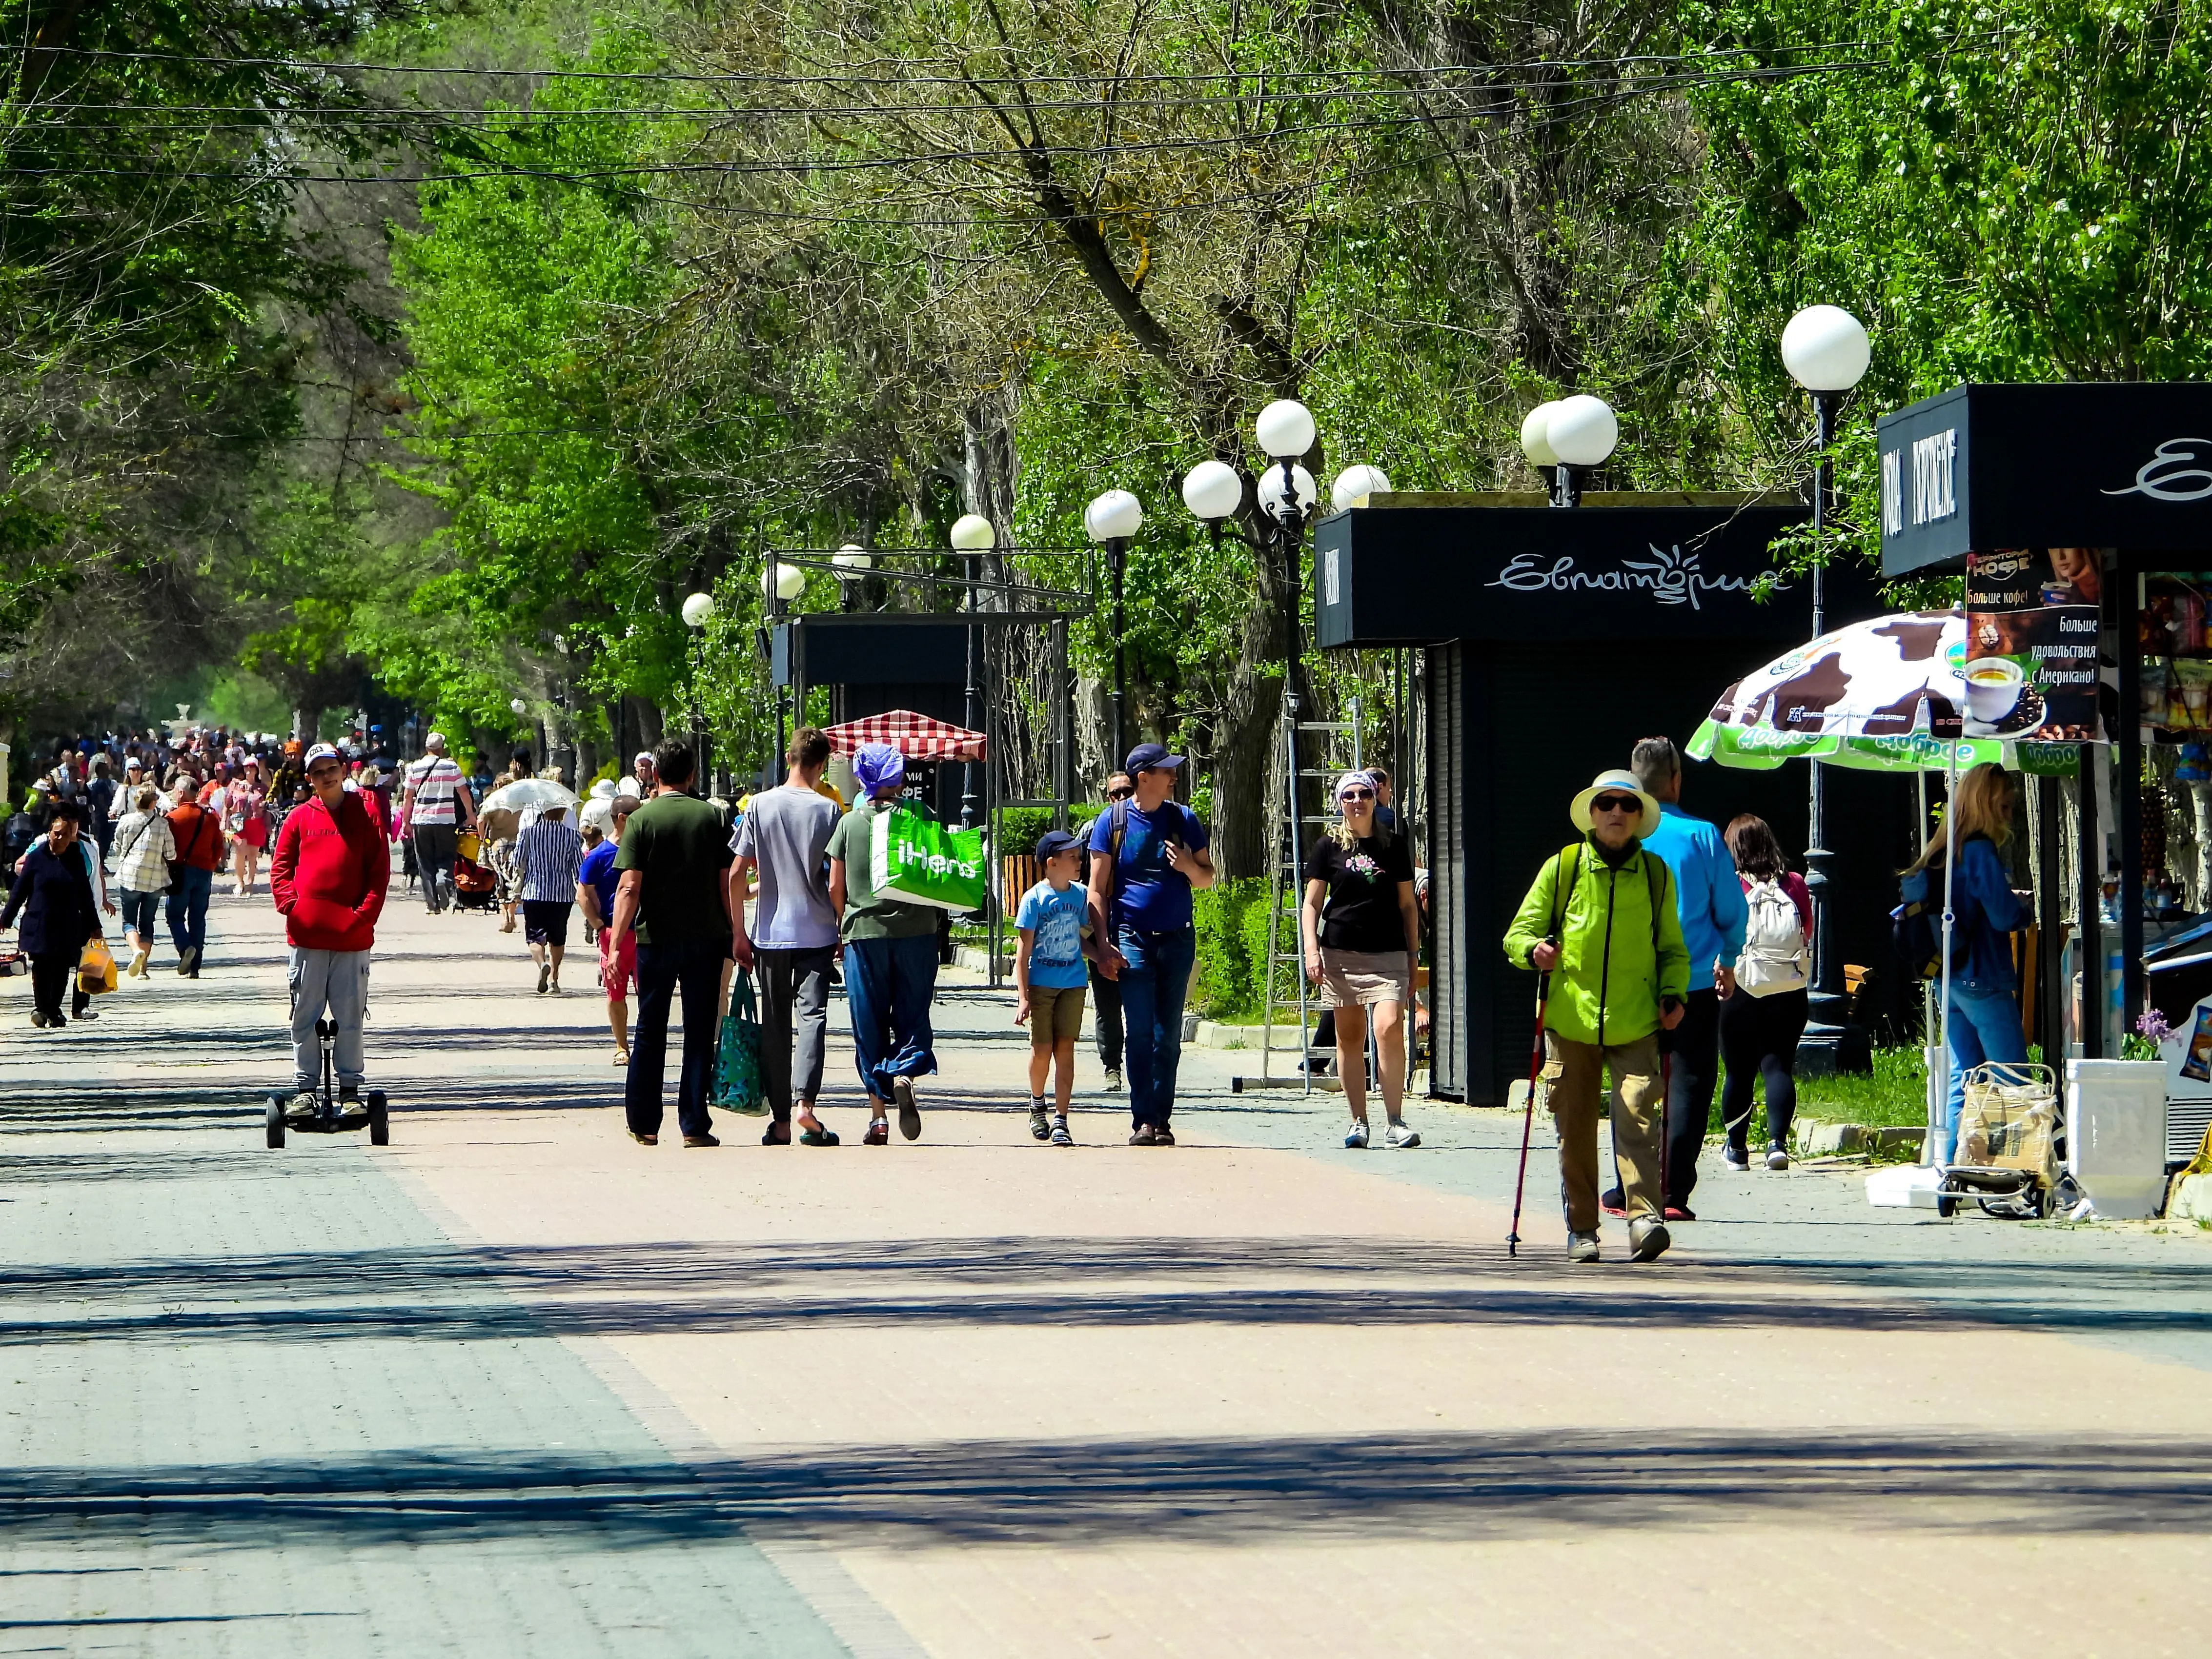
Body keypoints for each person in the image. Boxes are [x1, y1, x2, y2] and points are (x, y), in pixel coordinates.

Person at [1502, 768, 1689, 1265]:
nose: (1616, 813)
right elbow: (1517, 934)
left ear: (1639, 816)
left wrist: (1674, 994)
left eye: (1628, 805)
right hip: (1570, 1022)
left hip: (1637, 1020)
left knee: (1638, 1119)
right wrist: (1533, 951)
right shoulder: (1563, 867)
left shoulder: (1655, 875)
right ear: (1592, 812)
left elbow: (1672, 949)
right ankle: (1583, 1227)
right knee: (1575, 1129)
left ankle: (1645, 1219)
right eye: (1607, 803)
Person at [1607, 736, 1746, 1222]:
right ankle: (1671, 1190)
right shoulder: (1702, 836)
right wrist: (1728, 958)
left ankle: (1628, 1186)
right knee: (1687, 1081)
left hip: (1630, 979)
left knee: (1631, 1081)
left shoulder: (1621, 836)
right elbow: (1731, 909)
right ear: (1676, 780)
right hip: (1693, 979)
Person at [1087, 742, 1215, 1145]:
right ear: (1144, 778)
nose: (1174, 776)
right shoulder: (1112, 821)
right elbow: (1096, 890)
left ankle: (1161, 1118)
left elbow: (1206, 878)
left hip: (1177, 939)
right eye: (1166, 771)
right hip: (1132, 939)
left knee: (1167, 1035)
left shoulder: (1183, 819)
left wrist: (1187, 866)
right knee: (1140, 1031)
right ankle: (1142, 1119)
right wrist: (1103, 945)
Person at [1904, 762, 2032, 1161]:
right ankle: (2012, 1164)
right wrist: (2023, 908)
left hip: (1948, 979)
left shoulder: (1942, 851)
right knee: (2012, 1076)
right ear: (1986, 805)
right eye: (2004, 806)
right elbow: (2003, 916)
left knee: (1964, 1076)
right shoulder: (1979, 851)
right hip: (1984, 977)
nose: (2008, 815)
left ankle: (1947, 1166)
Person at [609, 739, 732, 1148]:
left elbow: (629, 888)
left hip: (655, 939)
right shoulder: (713, 817)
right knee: (699, 1030)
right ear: (692, 774)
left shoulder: (642, 820)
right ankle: (694, 1123)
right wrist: (735, 933)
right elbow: (725, 883)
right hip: (706, 938)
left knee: (650, 1028)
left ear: (656, 775)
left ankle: (644, 1122)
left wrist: (615, 945)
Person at [730, 727, 843, 1145]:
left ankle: (779, 1122)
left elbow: (737, 873)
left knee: (775, 1025)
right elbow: (836, 880)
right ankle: (804, 1104)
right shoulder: (828, 811)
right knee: (812, 1017)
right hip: (817, 931)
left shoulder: (759, 805)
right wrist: (839, 925)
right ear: (820, 765)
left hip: (770, 933)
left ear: (789, 758)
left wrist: (738, 931)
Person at [1300, 769, 1422, 1150]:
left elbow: (1408, 904)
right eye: (1349, 795)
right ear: (1340, 802)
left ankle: (1395, 1120)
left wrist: (1413, 955)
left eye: (1364, 795)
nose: (1357, 802)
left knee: (1388, 1026)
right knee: (1350, 1037)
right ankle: (1358, 1121)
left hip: (1388, 952)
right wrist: (1311, 950)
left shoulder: (1393, 846)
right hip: (1340, 952)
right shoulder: (1327, 847)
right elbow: (1311, 904)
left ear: (1375, 799)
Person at [826, 743, 940, 1145]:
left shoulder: (849, 824)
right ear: (898, 777)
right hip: (918, 933)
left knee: (868, 1024)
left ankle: (878, 1118)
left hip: (864, 934)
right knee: (913, 1014)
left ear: (861, 778)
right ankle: (904, 1073)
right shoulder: (923, 816)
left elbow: (835, 885)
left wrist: (839, 927)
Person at [269, 744, 389, 1123]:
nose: (327, 777)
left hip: (352, 937)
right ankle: (306, 1089)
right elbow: (280, 869)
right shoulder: (299, 818)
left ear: (343, 770)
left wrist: (364, 917)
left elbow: (379, 871)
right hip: (307, 936)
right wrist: (292, 906)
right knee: (304, 1016)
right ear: (310, 779)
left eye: (332, 769)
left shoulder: (366, 813)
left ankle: (350, 1090)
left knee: (350, 1017)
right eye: (318, 772)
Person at [1718, 813, 1812, 1173]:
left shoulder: (1729, 885)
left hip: (1740, 986)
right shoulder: (1795, 883)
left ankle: (1737, 1149)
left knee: (1738, 1072)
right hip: (1788, 988)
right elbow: (1806, 931)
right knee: (1778, 1066)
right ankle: (1777, 1145)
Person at [1015, 829, 1094, 1146]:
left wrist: (1104, 957)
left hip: (1073, 983)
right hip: (1042, 985)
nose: (1079, 861)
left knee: (1065, 1049)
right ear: (1052, 863)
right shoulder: (1034, 899)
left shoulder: (1081, 896)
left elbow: (1082, 939)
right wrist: (1023, 997)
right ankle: (1037, 1104)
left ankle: (1061, 1118)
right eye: (1072, 857)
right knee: (1042, 1049)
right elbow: (1023, 953)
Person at [0, 800, 105, 1026]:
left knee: (61, 968)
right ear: (50, 832)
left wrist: (94, 925)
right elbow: (20, 890)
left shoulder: (77, 858)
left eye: (65, 835)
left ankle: (55, 1009)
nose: (60, 838)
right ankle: (41, 1008)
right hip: (40, 922)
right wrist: (5, 919)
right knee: (41, 967)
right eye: (56, 833)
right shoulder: (37, 857)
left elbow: (85, 894)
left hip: (68, 924)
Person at [578, 792, 637, 1064]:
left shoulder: (646, 851)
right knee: (616, 992)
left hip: (646, 931)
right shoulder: (599, 855)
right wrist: (600, 926)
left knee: (650, 993)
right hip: (614, 933)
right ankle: (622, 1047)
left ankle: (647, 1046)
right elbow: (583, 894)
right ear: (622, 819)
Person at [1086, 771, 1132, 1091]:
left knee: (1143, 1002)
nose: (1122, 798)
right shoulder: (1095, 829)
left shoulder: (1149, 825)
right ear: (1108, 797)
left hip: (1138, 926)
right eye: (1116, 794)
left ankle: (1145, 1068)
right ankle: (1112, 1067)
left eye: (1127, 791)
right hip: (1101, 927)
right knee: (1107, 1004)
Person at [401, 732, 478, 914]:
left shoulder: (414, 768)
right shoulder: (451, 767)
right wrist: (470, 814)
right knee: (447, 857)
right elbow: (464, 792)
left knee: (425, 862)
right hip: (446, 820)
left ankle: (432, 904)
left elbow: (408, 797)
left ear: (426, 748)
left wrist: (406, 822)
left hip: (421, 820)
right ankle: (443, 880)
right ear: (441, 749)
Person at [517, 802, 584, 994]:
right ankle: (554, 979)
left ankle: (542, 964)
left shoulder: (529, 833)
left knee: (534, 937)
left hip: (534, 892)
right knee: (558, 938)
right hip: (562, 894)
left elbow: (518, 860)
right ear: (563, 813)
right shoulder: (571, 836)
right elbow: (579, 867)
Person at [112, 784, 176, 977]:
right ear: (154, 803)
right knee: (148, 922)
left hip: (130, 876)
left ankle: (135, 951)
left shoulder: (126, 820)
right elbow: (171, 854)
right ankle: (143, 969)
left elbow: (117, 847)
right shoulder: (163, 825)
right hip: (154, 879)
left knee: (129, 922)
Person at [163, 783, 225, 977]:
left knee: (175, 916)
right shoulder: (210, 817)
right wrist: (211, 864)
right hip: (204, 872)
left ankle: (185, 947)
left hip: (181, 872)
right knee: (198, 919)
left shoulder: (172, 818)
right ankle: (195, 967)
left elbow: (165, 847)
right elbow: (219, 845)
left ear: (181, 793)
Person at [224, 758, 269, 898]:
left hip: (256, 823)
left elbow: (268, 803)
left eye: (252, 767)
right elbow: (227, 804)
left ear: (256, 769)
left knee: (252, 855)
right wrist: (224, 821)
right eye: (246, 767)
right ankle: (240, 881)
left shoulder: (262, 787)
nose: (249, 770)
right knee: (240, 850)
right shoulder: (235, 785)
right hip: (238, 823)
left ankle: (250, 882)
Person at [84, 757, 117, 867]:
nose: (108, 771)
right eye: (105, 769)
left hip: (101, 817)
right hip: (102, 817)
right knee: (103, 841)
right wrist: (108, 813)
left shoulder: (106, 783)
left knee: (104, 841)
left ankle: (101, 863)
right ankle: (100, 864)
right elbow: (101, 800)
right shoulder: (100, 784)